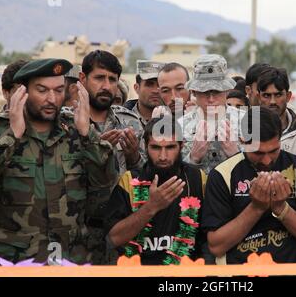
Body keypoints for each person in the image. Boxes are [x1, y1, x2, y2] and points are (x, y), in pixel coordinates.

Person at [0, 58, 117, 264]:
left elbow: (106, 182)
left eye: (58, 90)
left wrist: (87, 135)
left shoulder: (77, 129)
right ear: (23, 92)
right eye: (42, 90)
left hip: (71, 258)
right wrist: (12, 137)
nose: (52, 99)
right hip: (14, 260)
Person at [201, 106, 296, 264]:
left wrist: (282, 209)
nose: (267, 161)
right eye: (258, 153)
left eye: (274, 151)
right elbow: (216, 246)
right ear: (242, 140)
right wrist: (256, 208)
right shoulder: (222, 174)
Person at [104, 116, 206, 264]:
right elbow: (113, 239)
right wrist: (151, 207)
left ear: (182, 146)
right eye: (156, 147)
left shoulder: (197, 178)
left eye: (170, 147)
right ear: (145, 146)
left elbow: (210, 239)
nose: (163, 156)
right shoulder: (130, 181)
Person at [78, 50, 142, 264]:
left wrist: (133, 157)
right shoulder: (67, 122)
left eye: (112, 79)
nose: (106, 86)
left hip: (124, 227)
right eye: (99, 78)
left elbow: (145, 174)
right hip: (79, 229)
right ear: (82, 79)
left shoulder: (130, 123)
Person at [179, 54, 242, 174]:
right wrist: (193, 158)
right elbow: (174, 173)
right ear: (194, 92)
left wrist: (236, 155)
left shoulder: (248, 122)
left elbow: (259, 171)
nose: (211, 99)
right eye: (204, 92)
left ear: (227, 91)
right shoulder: (179, 126)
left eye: (217, 92)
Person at [124, 60, 165, 133]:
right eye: (149, 85)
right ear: (136, 88)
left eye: (160, 85)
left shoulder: (175, 120)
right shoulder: (120, 117)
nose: (156, 90)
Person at [257, 67, 296, 134]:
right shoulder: (248, 128)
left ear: (288, 96)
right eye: (266, 95)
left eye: (278, 95)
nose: (272, 101)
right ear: (259, 97)